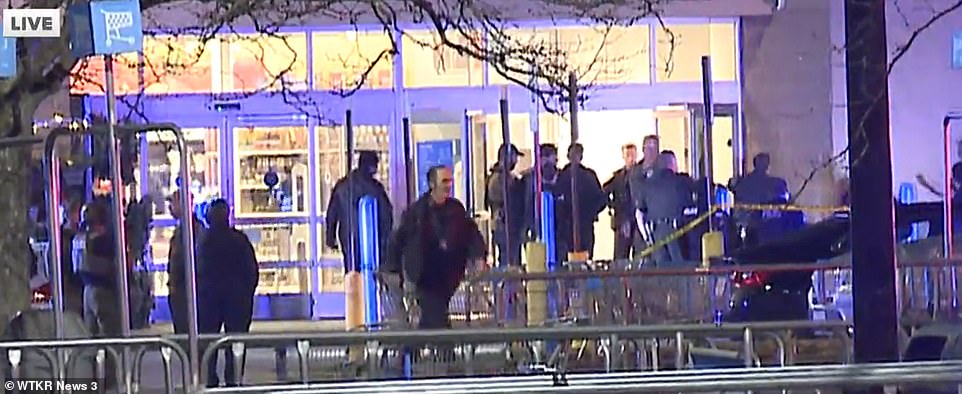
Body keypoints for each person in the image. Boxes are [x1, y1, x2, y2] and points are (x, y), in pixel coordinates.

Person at [388, 165, 485, 329]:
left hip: (448, 274)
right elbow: (398, 239)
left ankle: (413, 348)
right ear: (432, 184)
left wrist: (479, 257)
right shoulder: (417, 212)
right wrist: (393, 269)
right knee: (435, 314)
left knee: (432, 317)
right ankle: (440, 351)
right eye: (444, 181)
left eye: (450, 181)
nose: (449, 185)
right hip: (425, 275)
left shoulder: (456, 209)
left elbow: (472, 234)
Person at [198, 199, 259, 387]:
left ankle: (210, 380)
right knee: (236, 343)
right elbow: (251, 271)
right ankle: (234, 379)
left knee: (209, 343)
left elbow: (197, 271)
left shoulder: (204, 242)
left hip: (210, 300)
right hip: (236, 300)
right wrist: (246, 294)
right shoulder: (239, 240)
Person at [76, 198, 123, 389]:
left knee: (92, 337)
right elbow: (115, 267)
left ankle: (94, 378)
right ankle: (108, 380)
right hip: (103, 291)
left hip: (87, 289)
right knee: (109, 337)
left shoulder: (80, 238)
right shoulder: (105, 240)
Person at [325, 151, 394, 273]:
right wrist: (386, 242)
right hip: (372, 237)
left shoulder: (342, 186)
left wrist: (330, 237)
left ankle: (353, 291)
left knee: (352, 272)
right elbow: (386, 216)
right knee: (371, 272)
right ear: (371, 167)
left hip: (347, 236)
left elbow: (331, 214)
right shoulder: (375, 188)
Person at [633, 151, 696, 265]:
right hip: (678, 232)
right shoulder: (682, 181)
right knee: (681, 271)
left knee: (662, 272)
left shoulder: (647, 184)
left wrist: (647, 237)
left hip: (656, 233)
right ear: (672, 164)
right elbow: (692, 206)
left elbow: (639, 214)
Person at [728, 153, 789, 246]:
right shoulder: (750, 182)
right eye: (764, 163)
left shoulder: (771, 183)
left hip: (755, 225)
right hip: (753, 225)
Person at [166, 189, 206, 334]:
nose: (170, 208)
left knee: (186, 334)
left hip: (186, 291)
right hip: (183, 291)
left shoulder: (190, 229)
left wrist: (175, 284)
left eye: (173, 203)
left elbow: (182, 261)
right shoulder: (185, 228)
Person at [557, 143, 606, 259]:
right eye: (573, 154)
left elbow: (601, 199)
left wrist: (590, 214)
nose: (575, 157)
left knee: (585, 259)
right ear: (568, 156)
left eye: (577, 154)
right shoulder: (562, 176)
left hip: (585, 226)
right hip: (566, 227)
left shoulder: (589, 176)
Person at [521, 144, 566, 262]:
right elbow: (523, 207)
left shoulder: (564, 178)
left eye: (549, 156)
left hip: (561, 232)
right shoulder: (528, 180)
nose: (546, 161)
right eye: (544, 156)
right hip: (536, 230)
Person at [486, 143, 526, 268]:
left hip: (508, 226)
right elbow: (503, 200)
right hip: (504, 226)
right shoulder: (498, 179)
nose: (516, 161)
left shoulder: (506, 177)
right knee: (508, 261)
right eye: (514, 157)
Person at [603, 143, 641, 261]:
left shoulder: (641, 174)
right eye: (628, 154)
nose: (630, 157)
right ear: (623, 156)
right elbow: (604, 191)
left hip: (638, 221)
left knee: (639, 256)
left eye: (632, 154)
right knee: (620, 257)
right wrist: (613, 206)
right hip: (622, 220)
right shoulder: (618, 176)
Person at [628, 135, 661, 251]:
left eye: (654, 147)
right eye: (648, 147)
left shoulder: (663, 171)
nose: (651, 151)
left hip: (659, 225)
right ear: (643, 149)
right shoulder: (635, 172)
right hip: (640, 225)